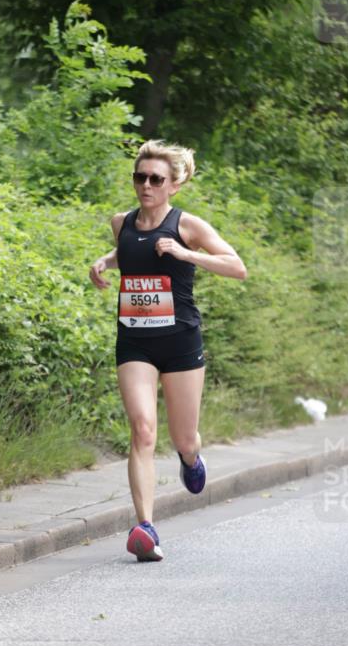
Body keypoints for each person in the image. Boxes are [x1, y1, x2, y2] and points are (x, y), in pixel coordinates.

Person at [89, 139, 247, 562]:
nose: (146, 185)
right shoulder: (121, 222)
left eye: (156, 179)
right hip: (135, 340)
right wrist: (105, 262)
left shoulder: (187, 226)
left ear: (174, 184)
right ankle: (145, 527)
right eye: (139, 177)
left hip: (180, 342)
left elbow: (237, 266)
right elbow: (132, 252)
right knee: (142, 429)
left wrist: (185, 253)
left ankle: (190, 457)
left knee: (183, 437)